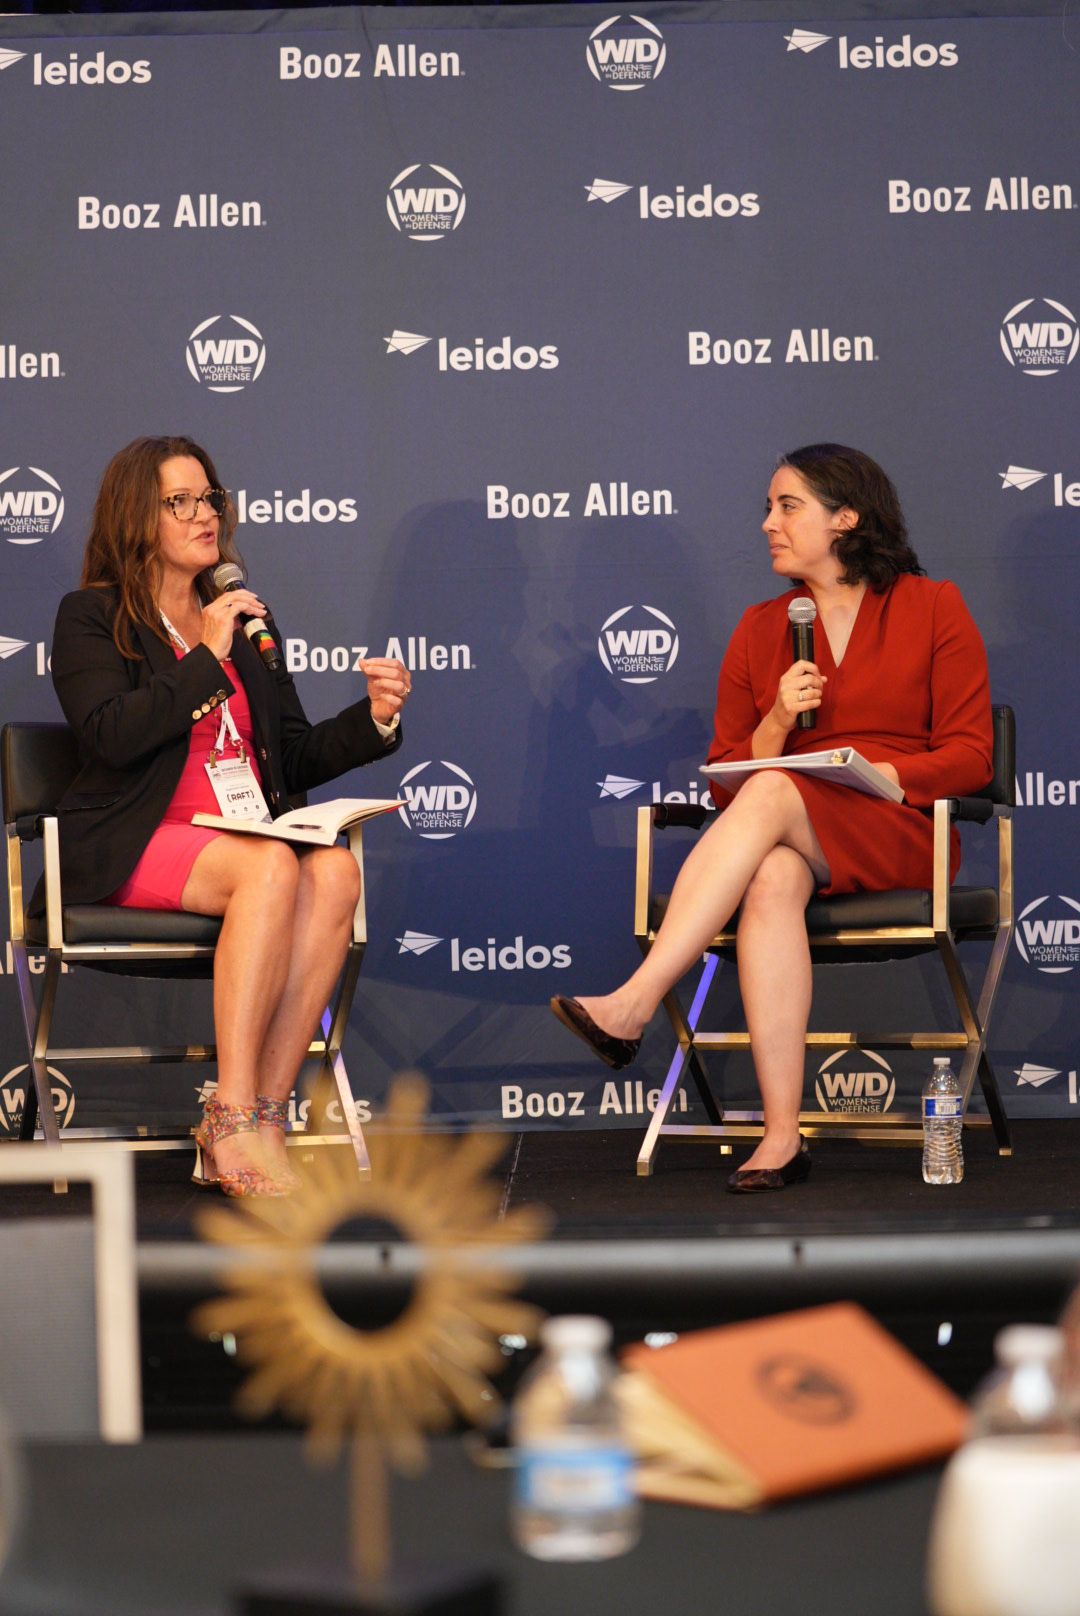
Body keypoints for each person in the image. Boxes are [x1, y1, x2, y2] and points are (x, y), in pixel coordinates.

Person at [552, 443, 993, 1192]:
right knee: (771, 876)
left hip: (901, 830)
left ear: (846, 518)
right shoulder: (761, 629)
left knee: (775, 795)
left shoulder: (932, 606)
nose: (768, 524)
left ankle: (635, 998)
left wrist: (884, 772)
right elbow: (731, 777)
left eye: (787, 506)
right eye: (767, 508)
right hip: (796, 828)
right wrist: (777, 724)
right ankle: (782, 1137)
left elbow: (972, 755)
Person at [38, 436, 410, 1197]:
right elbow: (110, 732)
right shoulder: (91, 617)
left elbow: (294, 755)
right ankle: (230, 1118)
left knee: (334, 870)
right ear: (135, 517)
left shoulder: (246, 618)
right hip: (136, 837)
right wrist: (205, 657)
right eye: (181, 502)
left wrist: (371, 720)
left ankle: (265, 1117)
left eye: (211, 499)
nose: (205, 515)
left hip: (244, 833)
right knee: (270, 863)